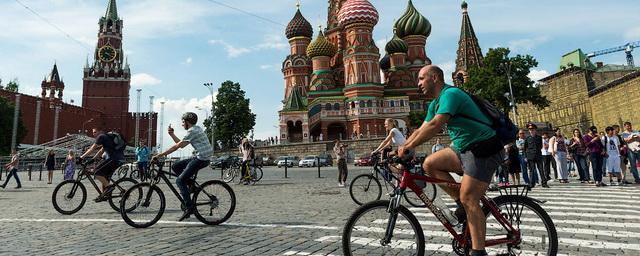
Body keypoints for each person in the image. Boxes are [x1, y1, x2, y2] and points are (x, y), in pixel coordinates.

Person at [398, 65, 503, 256]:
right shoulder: (435, 104)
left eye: (421, 78)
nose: (418, 83)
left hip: (482, 147)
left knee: (470, 197)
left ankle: (478, 252)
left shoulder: (451, 94)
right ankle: (462, 205)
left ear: (435, 77)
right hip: (462, 148)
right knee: (430, 164)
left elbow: (436, 125)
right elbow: (422, 128)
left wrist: (408, 148)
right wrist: (402, 148)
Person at [152, 112, 212, 221]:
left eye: (183, 122)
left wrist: (160, 154)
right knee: (175, 166)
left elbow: (177, 147)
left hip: (202, 159)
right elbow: (182, 144)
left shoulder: (192, 131)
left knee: (180, 181)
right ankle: (191, 186)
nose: (182, 124)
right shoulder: (195, 129)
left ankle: (189, 208)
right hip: (200, 156)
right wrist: (172, 135)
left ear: (187, 122)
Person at [80, 127, 125, 201]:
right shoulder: (107, 138)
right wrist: (92, 159)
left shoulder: (101, 136)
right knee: (104, 176)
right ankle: (104, 195)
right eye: (93, 132)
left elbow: (92, 148)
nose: (93, 134)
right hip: (118, 159)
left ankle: (109, 187)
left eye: (95, 132)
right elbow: (101, 151)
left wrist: (81, 157)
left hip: (114, 159)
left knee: (97, 172)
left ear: (100, 131)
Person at [524, 123, 548, 188]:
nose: (531, 130)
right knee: (531, 170)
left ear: (535, 130)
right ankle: (532, 183)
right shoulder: (527, 138)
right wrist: (526, 156)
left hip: (538, 155)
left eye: (532, 129)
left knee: (541, 170)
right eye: (530, 129)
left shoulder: (539, 138)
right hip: (530, 156)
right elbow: (525, 148)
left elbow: (540, 146)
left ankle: (544, 183)